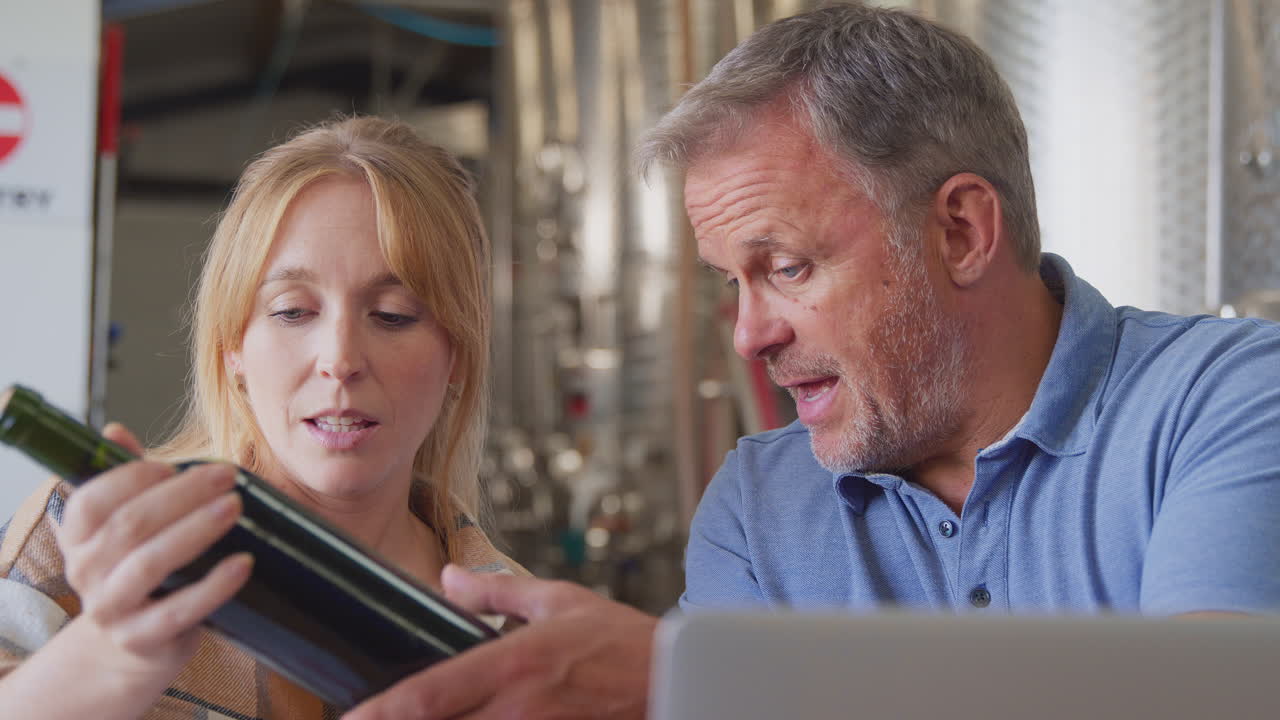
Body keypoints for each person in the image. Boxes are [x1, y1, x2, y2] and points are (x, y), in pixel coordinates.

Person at [345, 3, 1280, 719]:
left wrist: (704, 684)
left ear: (960, 230)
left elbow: (1216, 703)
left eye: (786, 267)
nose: (751, 335)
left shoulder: (1227, 403)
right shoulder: (761, 504)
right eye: (729, 283)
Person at [0, 116, 525, 719]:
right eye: (292, 312)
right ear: (233, 347)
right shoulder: (90, 535)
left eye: (393, 314)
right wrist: (112, 658)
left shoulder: (519, 632)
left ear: (457, 352)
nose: (341, 360)